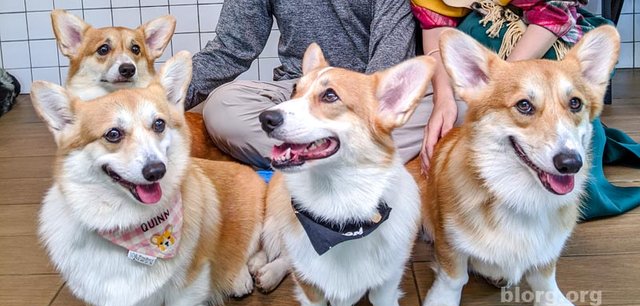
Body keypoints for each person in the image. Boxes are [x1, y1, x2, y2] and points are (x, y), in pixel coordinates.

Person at [411, 0, 640, 220]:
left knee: (582, 191)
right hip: (482, 48)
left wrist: (506, 79)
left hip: (542, 40)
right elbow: (435, 26)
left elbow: (554, 11)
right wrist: (443, 99)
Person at [186, 0, 458, 169]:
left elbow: (390, 53)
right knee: (222, 108)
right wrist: (156, 95)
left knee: (461, 113)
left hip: (372, 96)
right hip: (302, 90)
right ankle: (340, 158)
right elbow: (229, 49)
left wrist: (347, 104)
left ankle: (313, 157)